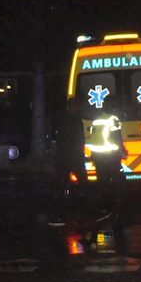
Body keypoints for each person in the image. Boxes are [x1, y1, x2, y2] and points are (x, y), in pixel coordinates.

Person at [49, 97, 88, 226]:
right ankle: (61, 214)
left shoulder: (76, 120)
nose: (77, 108)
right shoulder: (65, 121)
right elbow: (59, 139)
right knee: (62, 185)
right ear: (68, 107)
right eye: (75, 106)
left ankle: (76, 212)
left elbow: (80, 140)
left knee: (80, 184)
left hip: (73, 156)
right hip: (66, 156)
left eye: (78, 106)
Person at [88, 110, 126, 222]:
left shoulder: (96, 120)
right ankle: (115, 210)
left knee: (102, 182)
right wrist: (122, 150)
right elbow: (117, 137)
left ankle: (101, 209)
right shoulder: (113, 119)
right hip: (110, 156)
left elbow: (93, 137)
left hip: (99, 156)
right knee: (116, 182)